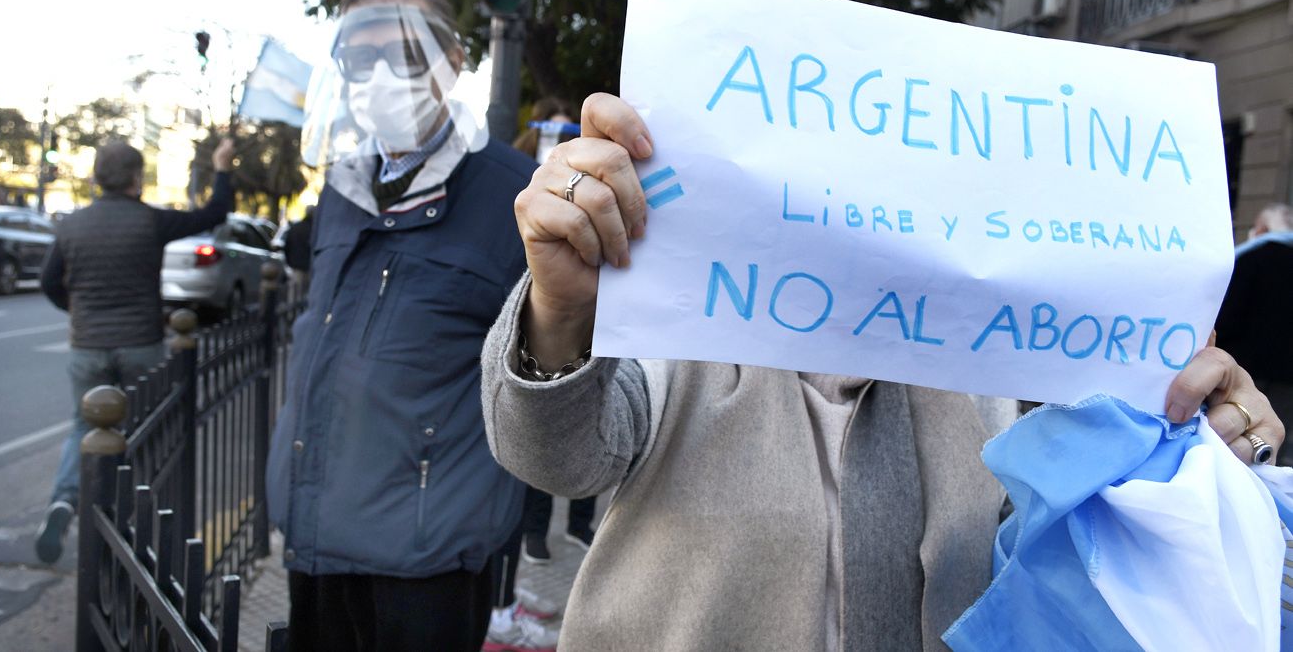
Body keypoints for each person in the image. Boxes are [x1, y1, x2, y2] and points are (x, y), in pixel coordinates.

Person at [480, 93, 1286, 650]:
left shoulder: (1012, 356)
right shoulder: (680, 321)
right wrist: (562, 312)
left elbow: (1103, 567)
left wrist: (1200, 458)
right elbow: (553, 455)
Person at [264, 0, 534, 651]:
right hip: (317, 538)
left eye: (405, 53)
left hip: (427, 561)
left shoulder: (516, 196)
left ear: (453, 61)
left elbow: (553, 372)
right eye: (361, 57)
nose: (380, 74)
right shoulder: (342, 190)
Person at [35, 139, 236, 563]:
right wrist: (221, 168)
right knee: (143, 428)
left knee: (81, 425)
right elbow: (213, 214)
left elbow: (50, 281)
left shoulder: (71, 225)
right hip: (141, 344)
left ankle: (65, 500)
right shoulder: (150, 221)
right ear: (135, 178)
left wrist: (79, 309)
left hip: (87, 345)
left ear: (95, 178)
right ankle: (131, 517)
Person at [511, 96, 598, 563]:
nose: (557, 144)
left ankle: (581, 525)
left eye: (566, 136)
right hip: (532, 311)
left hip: (591, 318)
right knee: (539, 417)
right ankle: (534, 530)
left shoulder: (592, 184)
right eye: (549, 132)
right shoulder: (516, 185)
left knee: (591, 410)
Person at [1216, 201, 1293, 463]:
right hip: (1288, 375)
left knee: (1240, 439)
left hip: (1246, 368)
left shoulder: (1249, 259)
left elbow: (1228, 315)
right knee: (1277, 438)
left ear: (1260, 228)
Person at [281, 205, 314, 295]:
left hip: (296, 265)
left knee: (294, 293)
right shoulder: (314, 229)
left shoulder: (296, 228)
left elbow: (287, 246)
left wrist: (289, 262)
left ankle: (292, 309)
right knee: (306, 294)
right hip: (309, 266)